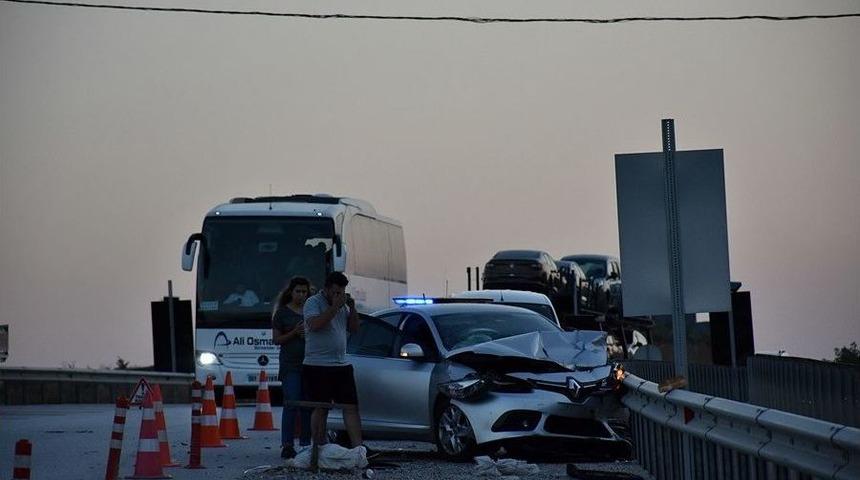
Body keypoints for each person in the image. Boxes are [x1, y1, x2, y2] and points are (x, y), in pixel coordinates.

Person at [302, 271, 362, 449]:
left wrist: (352, 308)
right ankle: (318, 447)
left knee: (350, 406)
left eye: (341, 292)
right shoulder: (313, 302)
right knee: (322, 407)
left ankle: (358, 448)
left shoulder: (343, 306)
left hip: (341, 364)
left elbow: (354, 328)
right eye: (335, 292)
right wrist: (335, 307)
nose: (338, 295)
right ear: (326, 289)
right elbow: (315, 325)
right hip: (317, 364)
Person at [272, 277, 312, 458]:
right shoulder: (282, 313)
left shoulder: (312, 311)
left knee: (307, 405)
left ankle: (305, 443)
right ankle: (287, 444)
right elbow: (276, 339)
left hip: (310, 364)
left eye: (304, 292)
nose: (301, 295)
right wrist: (294, 333)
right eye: (298, 291)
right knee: (292, 403)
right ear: (291, 292)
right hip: (290, 365)